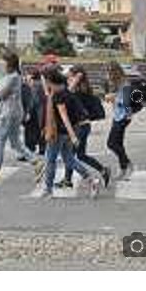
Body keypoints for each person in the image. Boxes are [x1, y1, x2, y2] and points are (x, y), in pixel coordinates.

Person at [38, 68, 101, 198]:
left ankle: (48, 189)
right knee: (69, 159)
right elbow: (48, 90)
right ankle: (92, 180)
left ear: (53, 83)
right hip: (70, 132)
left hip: (60, 133)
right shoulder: (66, 91)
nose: (48, 87)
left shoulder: (58, 96)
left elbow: (64, 116)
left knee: (51, 160)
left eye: (49, 84)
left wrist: (73, 136)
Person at [0, 52, 44, 181]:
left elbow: (0, 94)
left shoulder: (12, 77)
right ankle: (36, 162)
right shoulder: (13, 76)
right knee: (15, 142)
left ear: (9, 64)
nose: (1, 65)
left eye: (3, 63)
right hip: (14, 112)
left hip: (9, 113)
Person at [56, 65, 111, 188]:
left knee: (70, 155)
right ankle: (102, 170)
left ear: (76, 76)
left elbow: (67, 93)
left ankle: (68, 180)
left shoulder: (77, 90)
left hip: (80, 127)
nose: (68, 77)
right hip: (84, 126)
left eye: (70, 75)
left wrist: (75, 77)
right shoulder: (83, 88)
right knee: (79, 155)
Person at [105, 61, 133, 180]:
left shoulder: (125, 84)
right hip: (117, 116)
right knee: (118, 143)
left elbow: (126, 102)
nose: (108, 76)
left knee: (111, 143)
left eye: (109, 73)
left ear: (114, 73)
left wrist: (113, 98)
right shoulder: (117, 84)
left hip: (123, 117)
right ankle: (123, 168)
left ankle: (127, 163)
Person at [23, 70, 46, 155]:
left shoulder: (35, 85)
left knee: (31, 131)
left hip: (36, 112)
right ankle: (42, 148)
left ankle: (30, 149)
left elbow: (34, 100)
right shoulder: (42, 84)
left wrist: (28, 112)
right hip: (42, 110)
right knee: (41, 129)